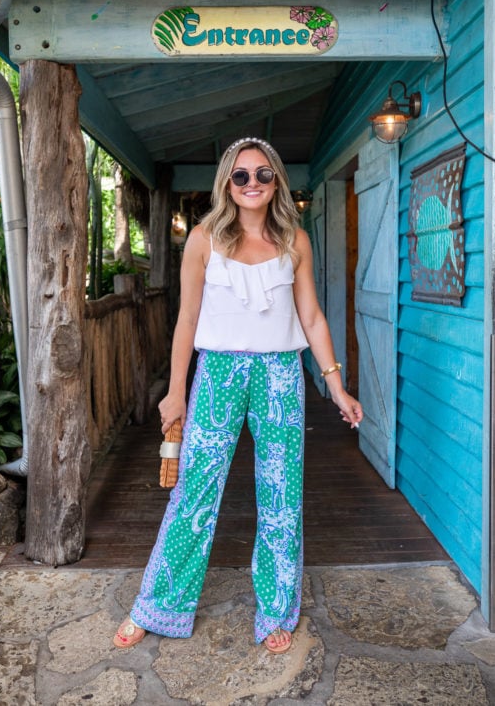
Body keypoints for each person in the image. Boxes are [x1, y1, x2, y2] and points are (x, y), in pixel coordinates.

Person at [113, 137, 363, 655]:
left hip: (279, 375)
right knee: (195, 491)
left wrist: (335, 383)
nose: (252, 184)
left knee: (281, 495)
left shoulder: (294, 239)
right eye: (241, 175)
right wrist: (175, 392)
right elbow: (185, 320)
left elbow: (312, 317)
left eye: (263, 175)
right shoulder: (204, 238)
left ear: (277, 183)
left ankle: (277, 610)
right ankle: (157, 604)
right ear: (227, 181)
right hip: (219, 374)